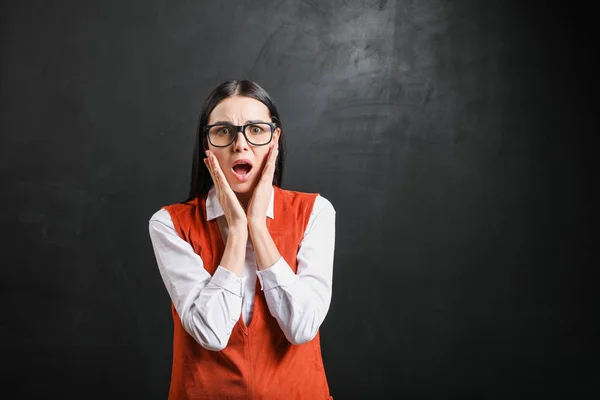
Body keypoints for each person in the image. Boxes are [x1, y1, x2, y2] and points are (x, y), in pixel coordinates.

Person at [148, 79, 336, 399]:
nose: (240, 144)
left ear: (275, 140)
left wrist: (258, 228)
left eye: (256, 130)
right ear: (207, 145)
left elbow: (302, 328)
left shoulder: (315, 212)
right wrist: (237, 232)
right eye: (223, 131)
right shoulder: (169, 224)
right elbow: (211, 333)